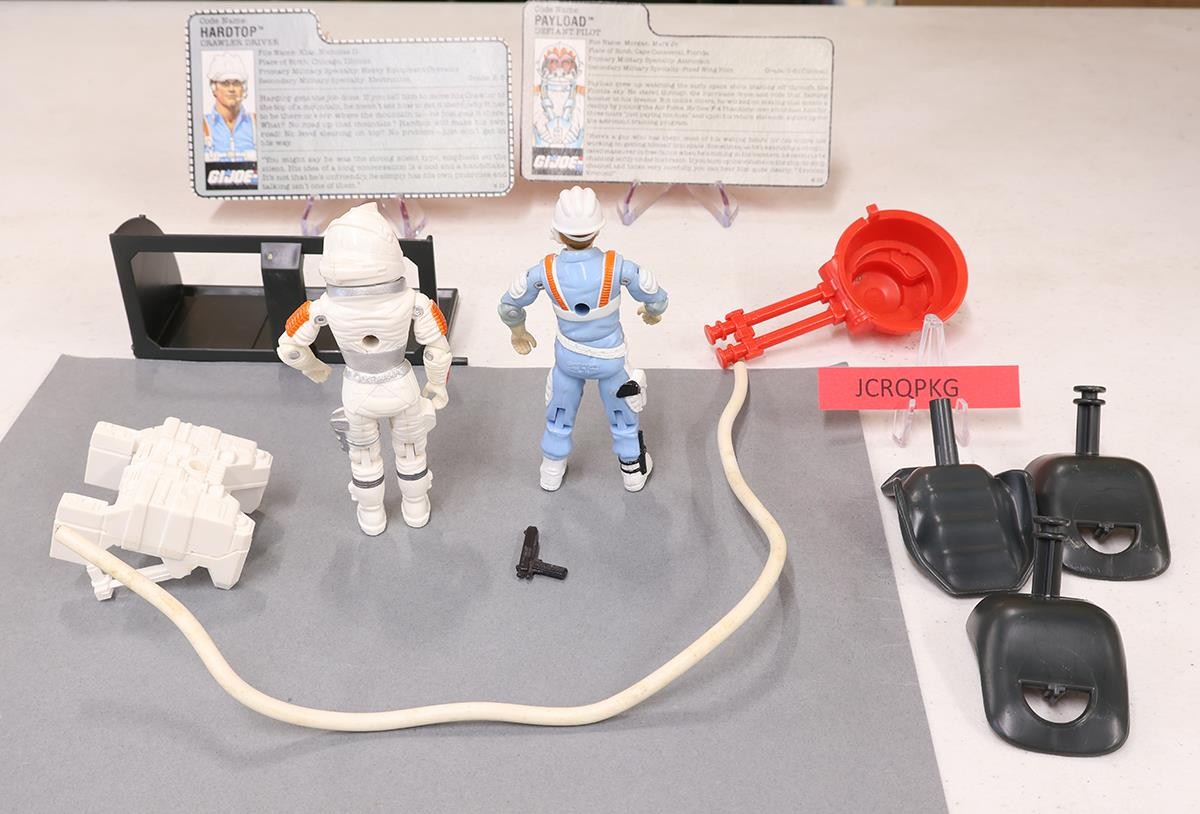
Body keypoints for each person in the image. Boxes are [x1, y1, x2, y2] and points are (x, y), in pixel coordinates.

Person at [276, 203, 453, 535]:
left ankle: (372, 513)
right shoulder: (415, 301)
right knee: (411, 451)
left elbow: (289, 348)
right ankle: (415, 504)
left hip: (357, 390)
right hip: (402, 386)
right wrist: (436, 385)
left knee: (364, 458)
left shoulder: (322, 306)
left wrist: (315, 368)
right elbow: (438, 352)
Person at [499, 186, 669, 492]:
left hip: (569, 360)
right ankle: (632, 471)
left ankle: (551, 470)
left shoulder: (544, 271)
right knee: (623, 415)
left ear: (557, 232)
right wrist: (651, 312)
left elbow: (509, 306)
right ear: (598, 229)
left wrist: (518, 332)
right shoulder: (618, 267)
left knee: (559, 414)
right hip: (610, 361)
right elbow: (656, 296)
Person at [203, 53, 256, 160]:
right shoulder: (202, 126)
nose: (231, 89)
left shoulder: (256, 123)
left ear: (243, 88)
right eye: (225, 83)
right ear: (213, 87)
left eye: (236, 83)